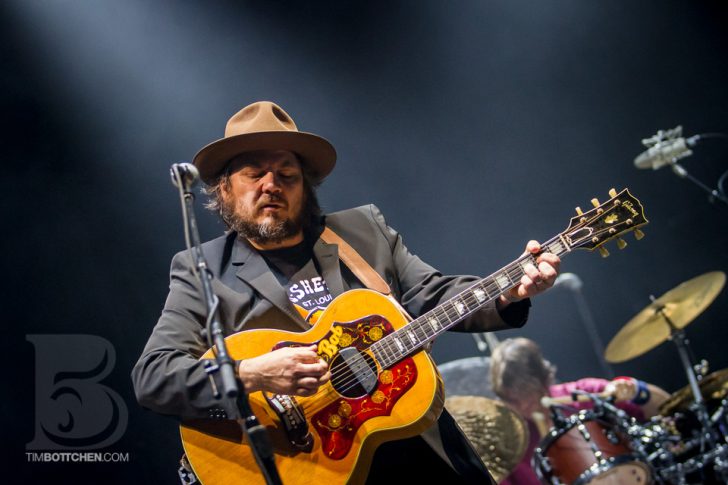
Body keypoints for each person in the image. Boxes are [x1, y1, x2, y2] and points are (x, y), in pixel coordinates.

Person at [131, 101, 561, 484]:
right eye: (254, 174)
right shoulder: (202, 269)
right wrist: (252, 373)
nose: (271, 184)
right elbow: (154, 377)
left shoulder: (362, 232)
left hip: (419, 451)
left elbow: (434, 293)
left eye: (287, 174)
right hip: (311, 469)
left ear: (305, 185)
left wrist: (507, 294)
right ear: (224, 188)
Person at [489, 337, 670, 485]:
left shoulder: (585, 394)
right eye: (513, 400)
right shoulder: (508, 444)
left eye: (526, 394)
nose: (522, 406)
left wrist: (636, 390)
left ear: (544, 380)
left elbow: (665, 408)